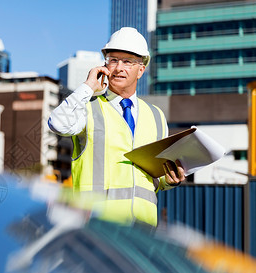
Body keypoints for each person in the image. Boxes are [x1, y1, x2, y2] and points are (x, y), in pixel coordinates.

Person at [48, 27, 185, 227]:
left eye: (128, 61)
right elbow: (57, 123)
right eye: (113, 60)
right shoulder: (87, 107)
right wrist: (88, 87)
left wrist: (170, 180)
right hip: (94, 228)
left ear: (141, 70)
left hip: (141, 232)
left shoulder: (156, 116)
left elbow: (156, 177)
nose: (119, 67)